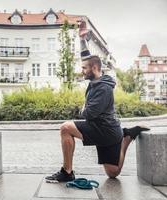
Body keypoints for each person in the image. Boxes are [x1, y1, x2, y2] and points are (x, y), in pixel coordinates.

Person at [45, 55, 149, 183]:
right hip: (104, 129)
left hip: (105, 131)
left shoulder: (103, 88)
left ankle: (67, 172)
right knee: (112, 172)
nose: (81, 70)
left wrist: (83, 109)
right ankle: (126, 137)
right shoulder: (97, 83)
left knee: (65, 128)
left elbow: (89, 113)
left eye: (84, 68)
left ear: (94, 68)